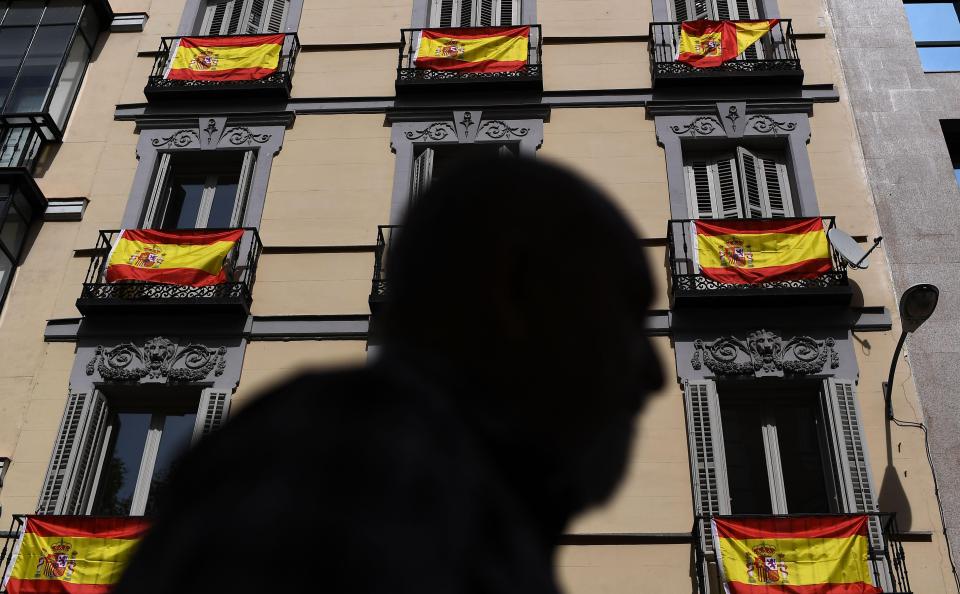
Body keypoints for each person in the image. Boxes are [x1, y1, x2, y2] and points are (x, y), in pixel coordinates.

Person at [114, 156, 664, 593]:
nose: (655, 373)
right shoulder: (365, 450)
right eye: (626, 310)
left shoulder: (458, 487)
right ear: (516, 289)